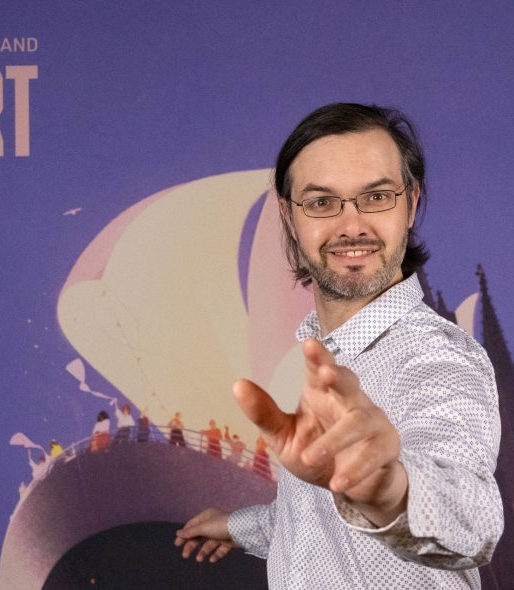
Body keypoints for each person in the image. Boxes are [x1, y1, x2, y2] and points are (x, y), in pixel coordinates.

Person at [175, 103, 503, 588]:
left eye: (376, 197)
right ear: (289, 216)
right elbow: (318, 519)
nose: (352, 226)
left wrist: (389, 491)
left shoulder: (437, 356)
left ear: (411, 204)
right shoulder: (323, 355)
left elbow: (472, 518)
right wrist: (239, 527)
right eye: (322, 203)